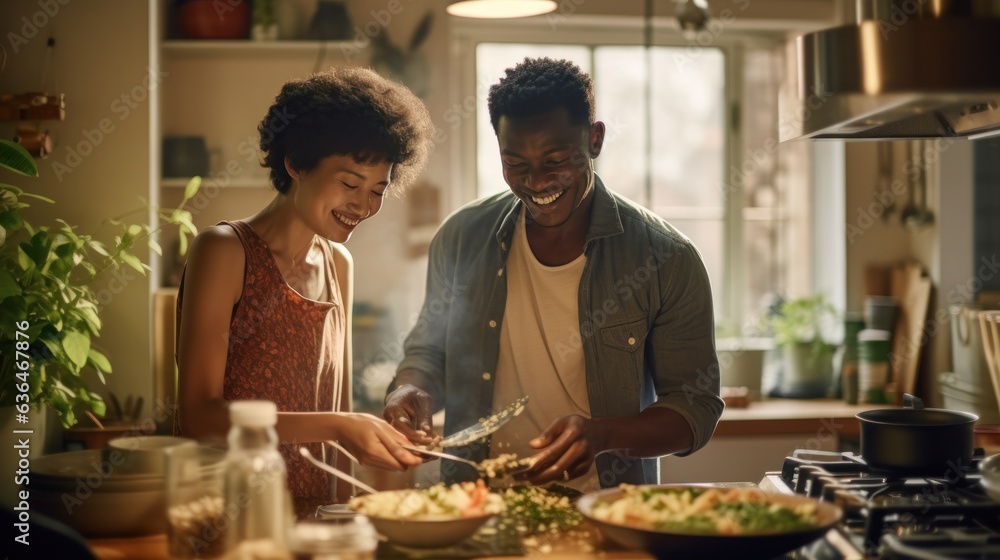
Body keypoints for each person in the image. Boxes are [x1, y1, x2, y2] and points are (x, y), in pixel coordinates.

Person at [382, 57, 724, 492]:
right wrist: (408, 391)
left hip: (606, 509)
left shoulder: (666, 258)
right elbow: (429, 355)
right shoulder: (462, 238)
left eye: (556, 159)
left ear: (595, 139)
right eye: (516, 164)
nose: (537, 182)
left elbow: (695, 408)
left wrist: (603, 435)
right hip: (476, 507)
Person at [175, 68, 433, 508]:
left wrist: (363, 446)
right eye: (350, 183)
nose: (363, 205)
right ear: (295, 163)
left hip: (317, 516)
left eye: (377, 190)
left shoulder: (338, 264)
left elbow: (336, 403)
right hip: (230, 511)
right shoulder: (224, 251)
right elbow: (199, 415)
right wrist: (339, 424)